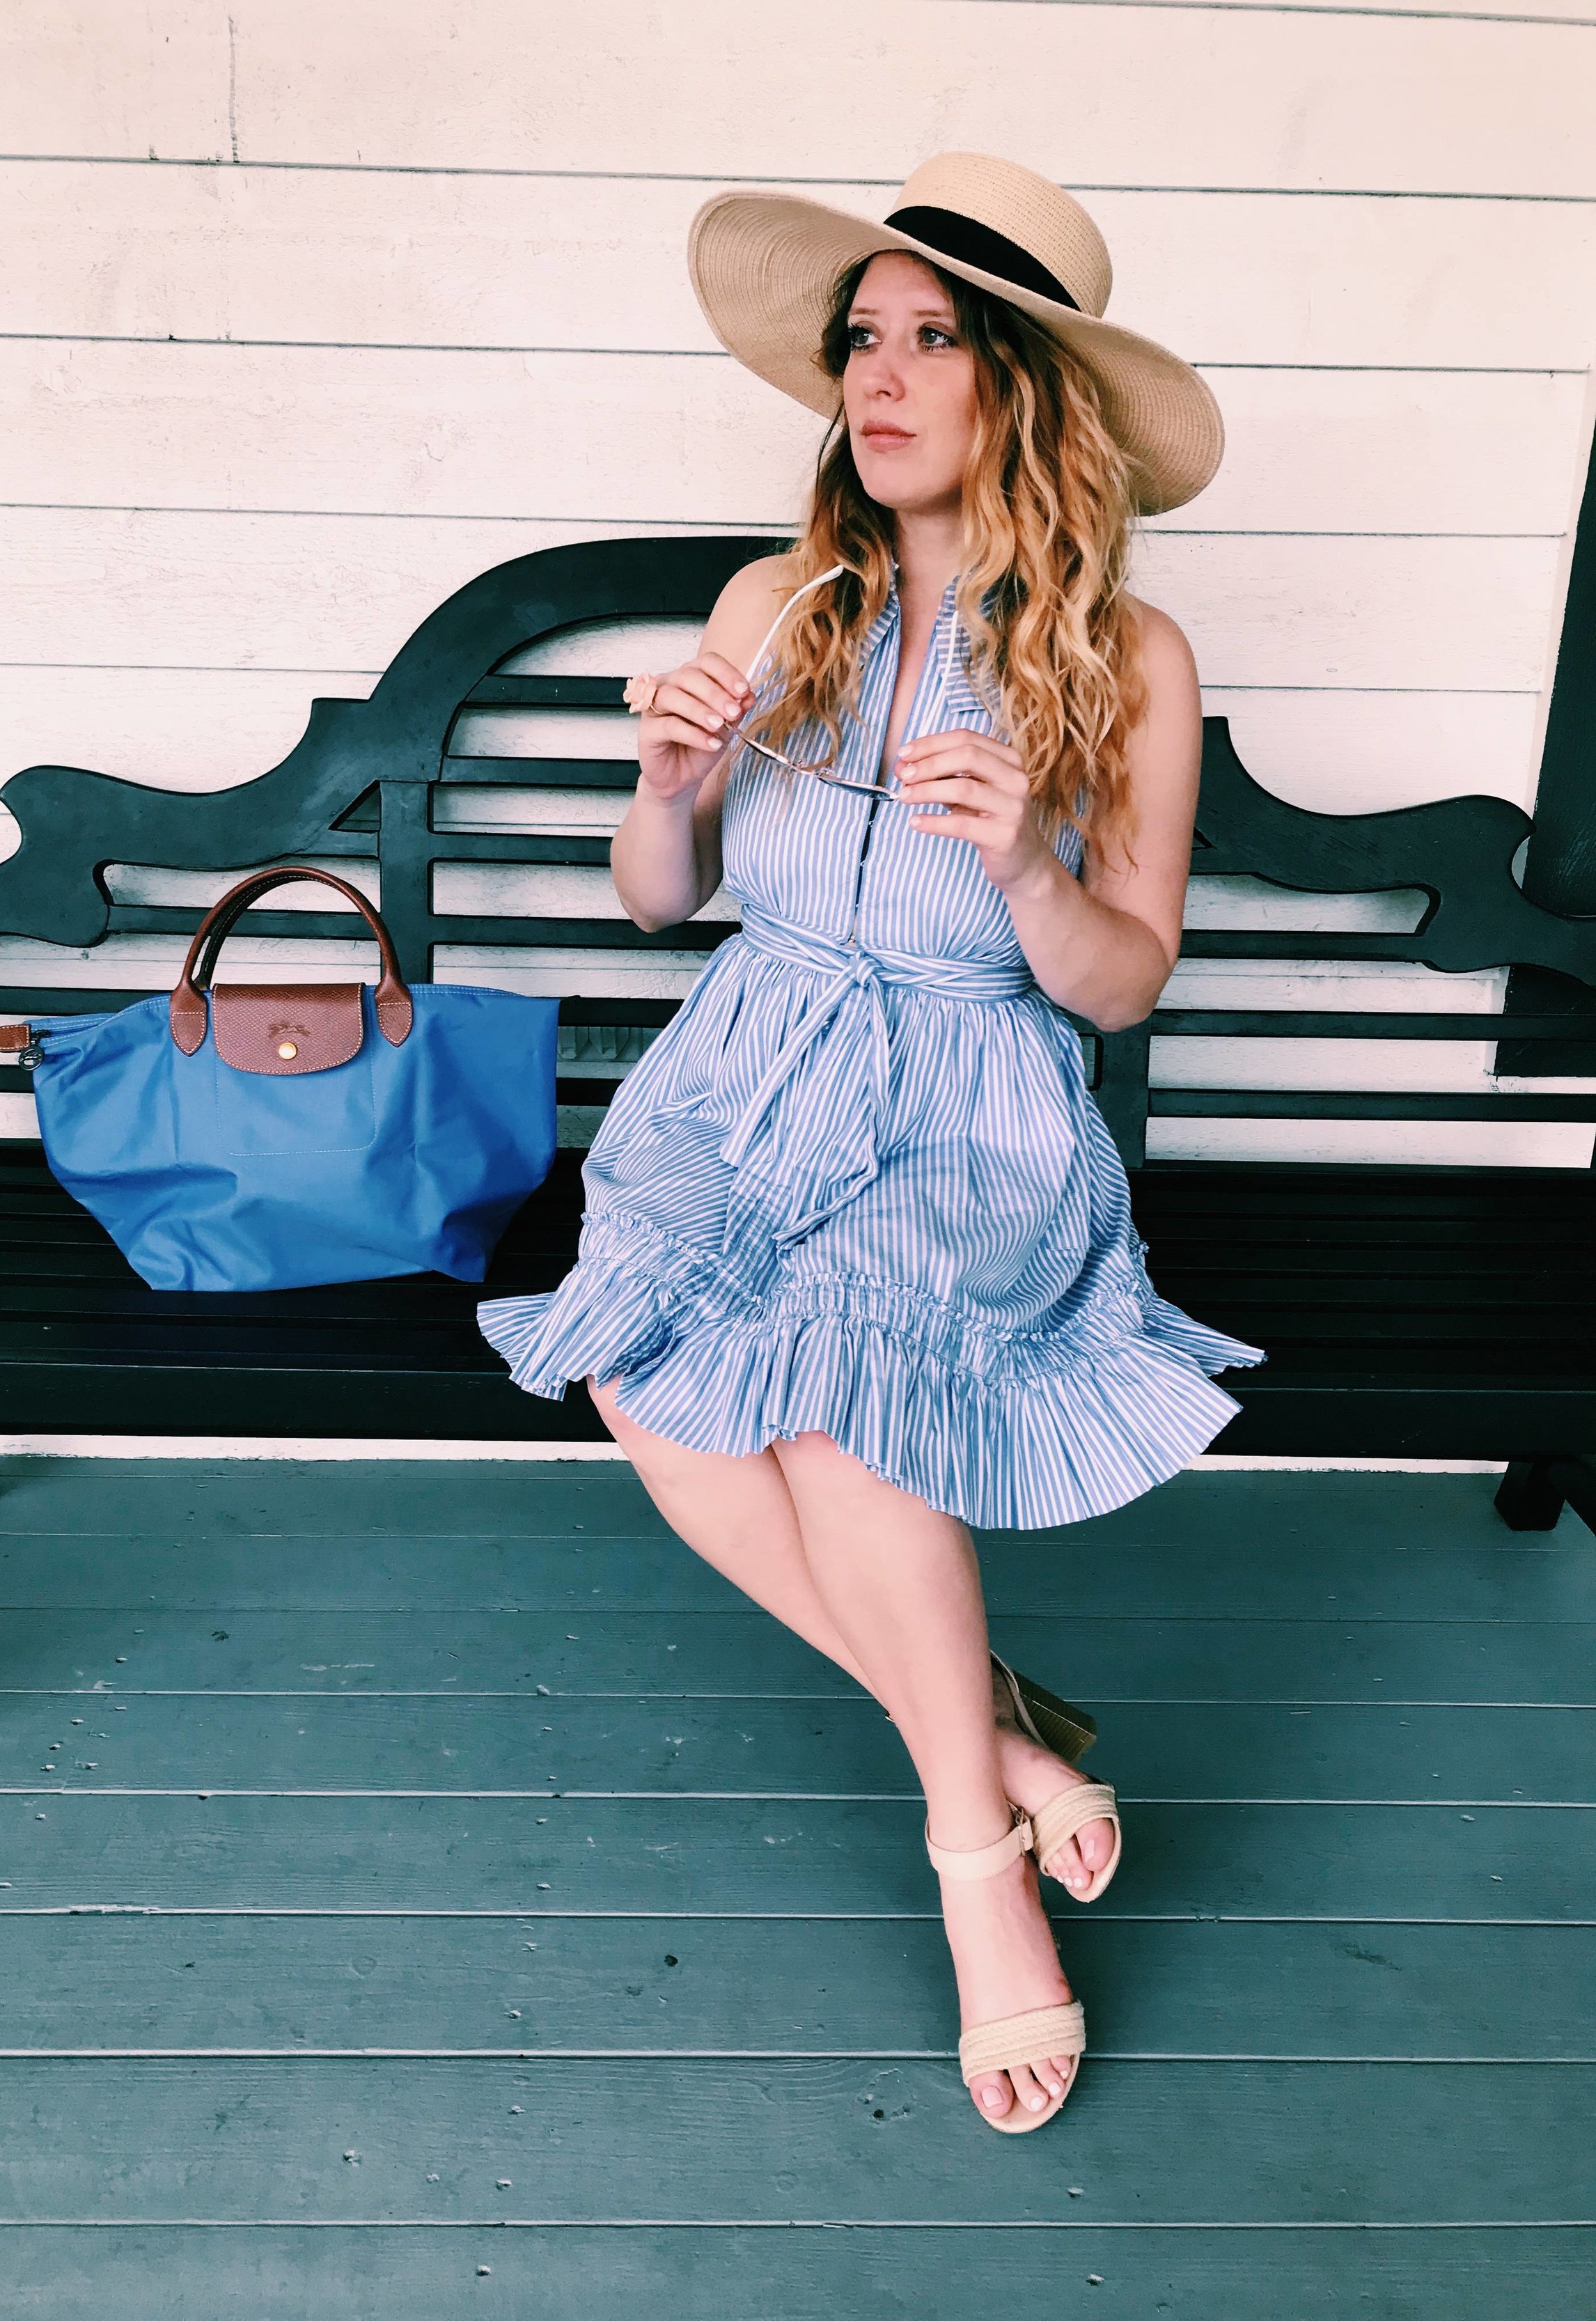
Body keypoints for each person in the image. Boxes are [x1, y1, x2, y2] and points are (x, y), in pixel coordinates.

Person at [478, 153, 1262, 2133]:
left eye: (934, 341)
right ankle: (997, 1737)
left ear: (1026, 389)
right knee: (645, 1375)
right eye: (862, 340)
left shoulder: (1131, 660)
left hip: (968, 1108)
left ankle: (974, 1864)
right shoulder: (780, 603)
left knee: (837, 1408)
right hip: (745, 1077)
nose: (879, 379)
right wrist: (665, 783)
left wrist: (1022, 865)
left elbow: (1121, 985)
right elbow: (660, 902)